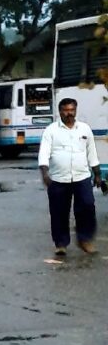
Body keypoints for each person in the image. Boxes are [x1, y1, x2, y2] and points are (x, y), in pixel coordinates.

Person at [38, 97, 105, 256]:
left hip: (82, 177)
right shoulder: (51, 130)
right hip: (58, 179)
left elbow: (92, 153)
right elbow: (44, 153)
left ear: (76, 111)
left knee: (87, 207)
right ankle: (61, 244)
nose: (69, 113)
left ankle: (85, 240)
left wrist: (97, 174)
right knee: (59, 212)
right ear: (60, 111)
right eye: (66, 110)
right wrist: (45, 173)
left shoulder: (84, 129)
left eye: (72, 110)